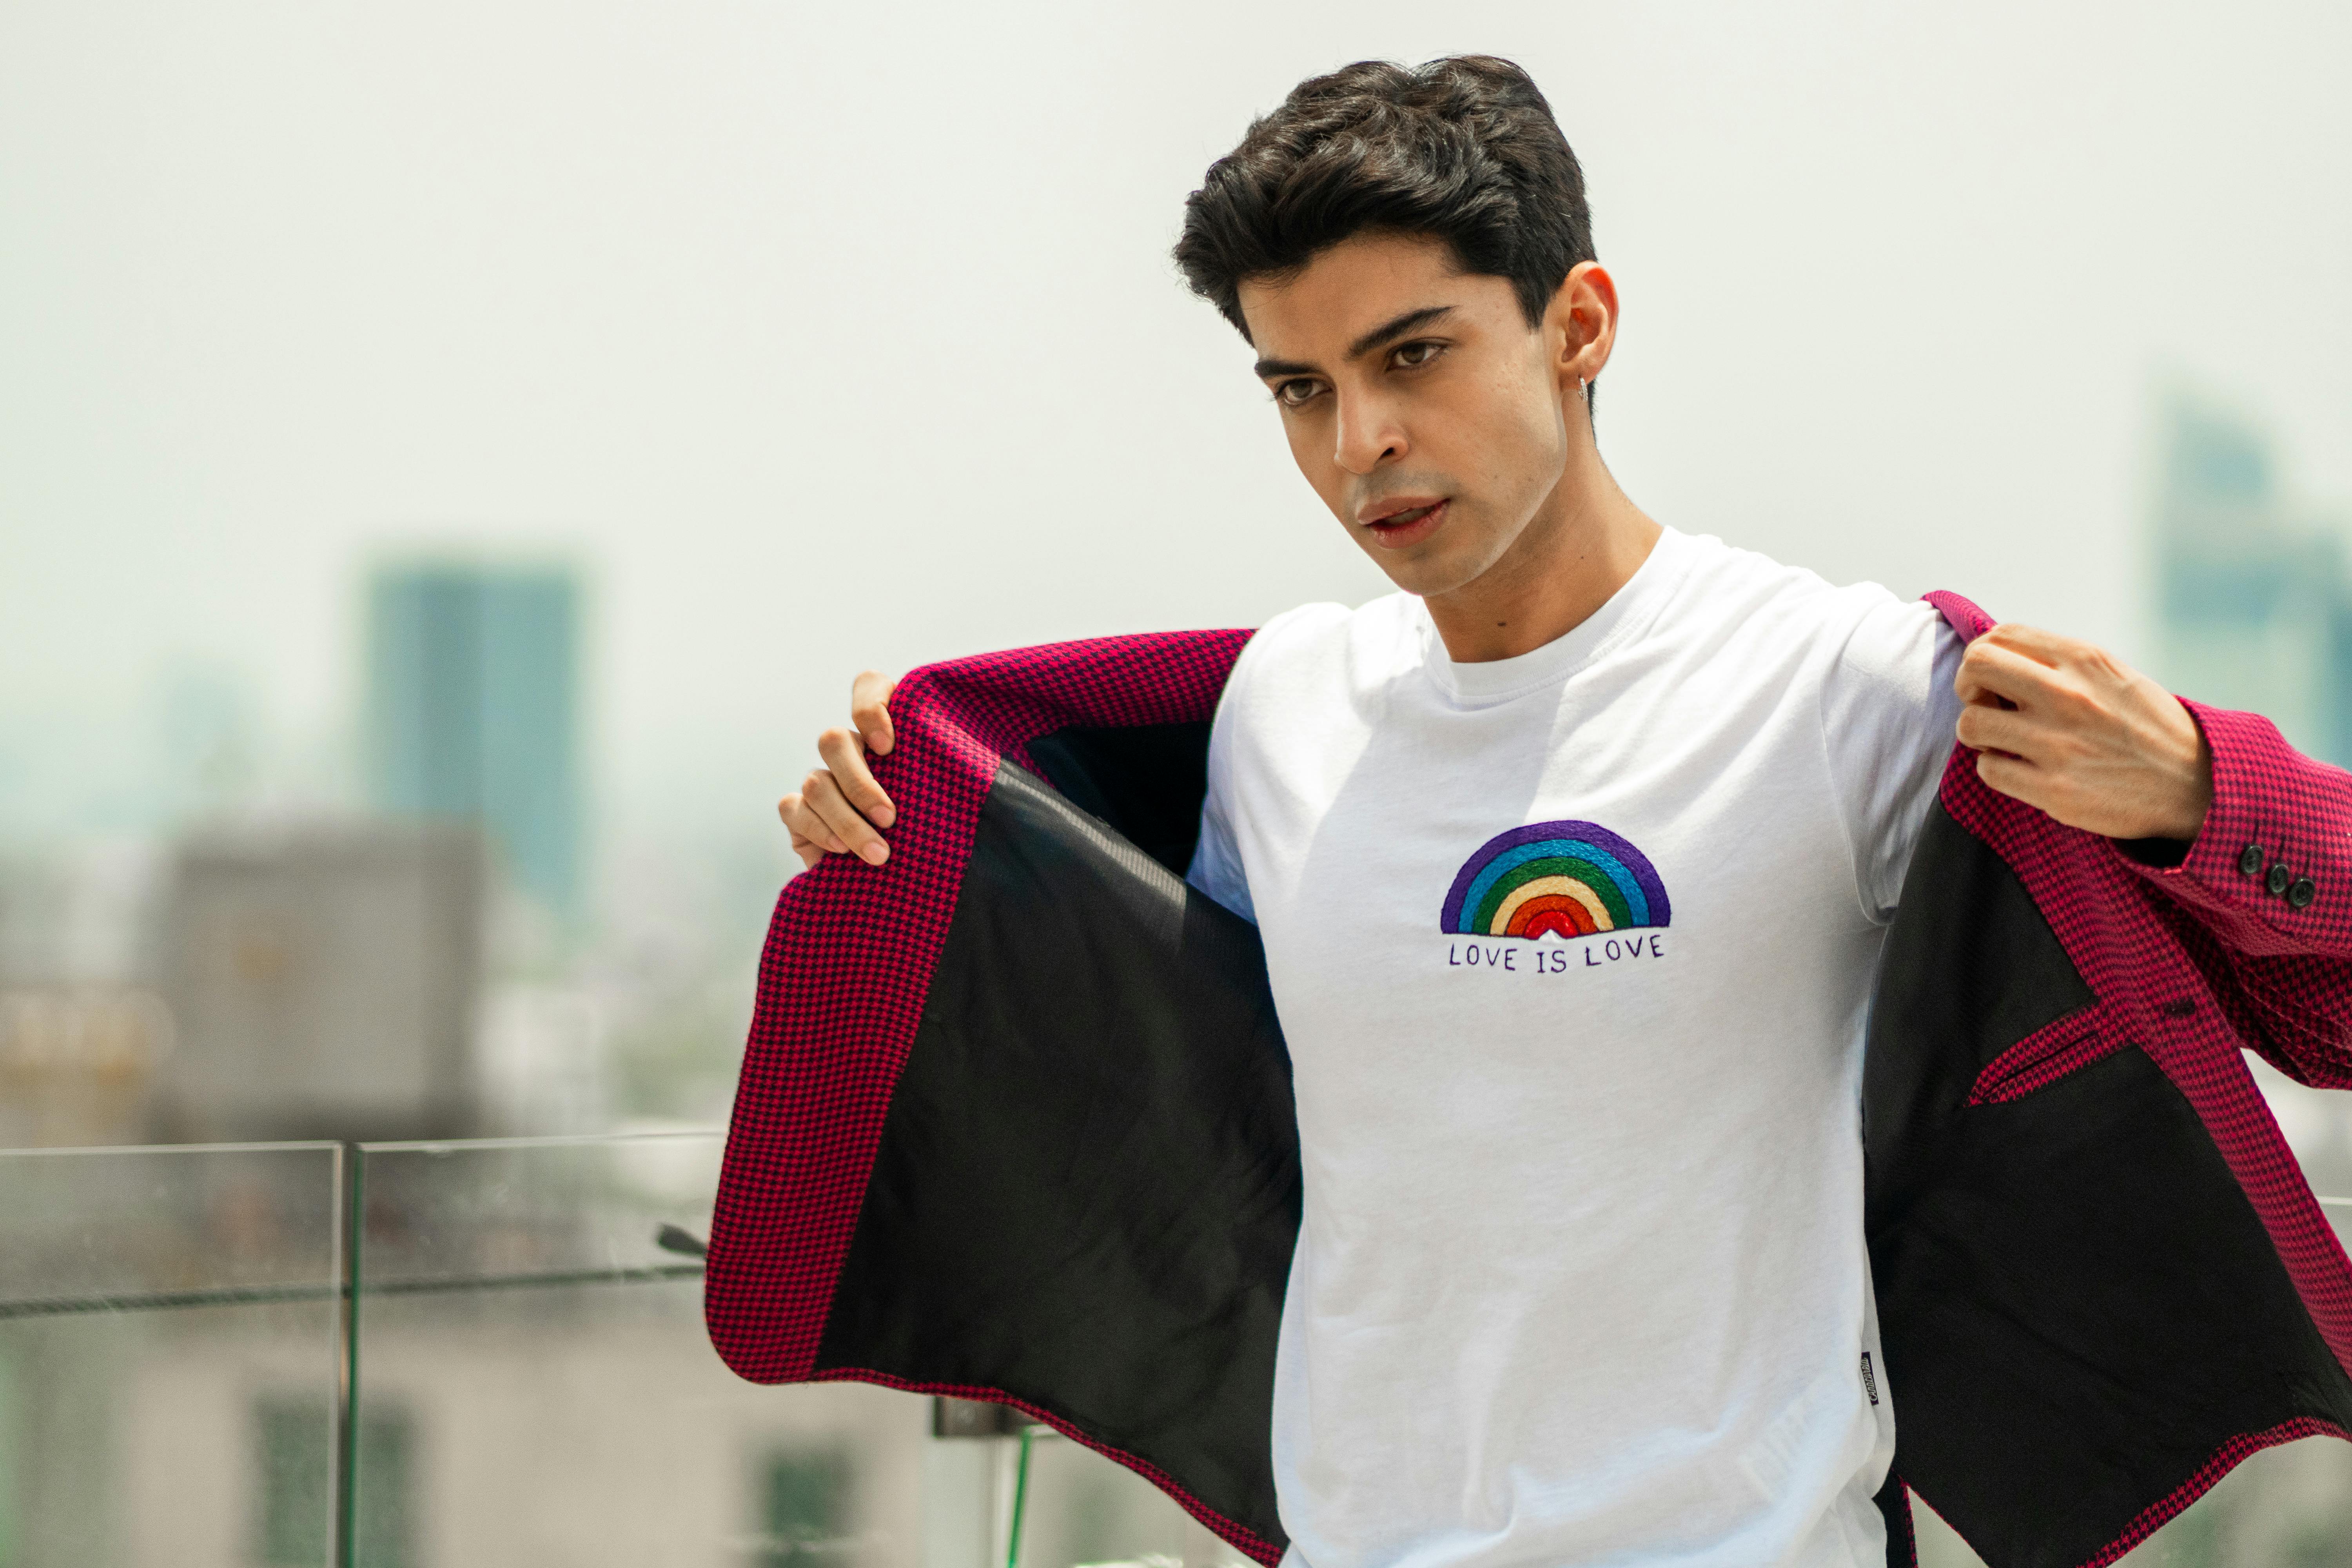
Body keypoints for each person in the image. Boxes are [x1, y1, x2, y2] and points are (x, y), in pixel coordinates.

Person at [774, 58, 2225, 1568]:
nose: (1359, 445)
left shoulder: (1837, 685)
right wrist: (890, 839)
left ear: (1580, 324)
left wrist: (2193, 784)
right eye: (1303, 387)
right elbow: (1106, 1026)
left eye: (1414, 356)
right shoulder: (1284, 711)